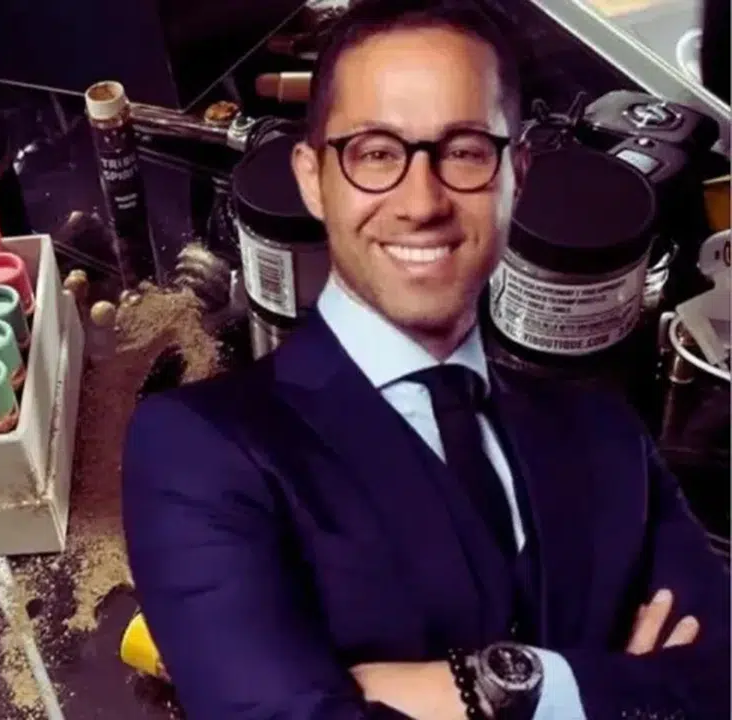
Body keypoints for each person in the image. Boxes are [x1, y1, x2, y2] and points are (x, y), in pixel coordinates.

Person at [120, 1, 731, 718]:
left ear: (517, 176)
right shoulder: (198, 446)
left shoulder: (606, 434)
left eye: (465, 151)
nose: (421, 202)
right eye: (376, 153)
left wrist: (510, 683)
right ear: (313, 178)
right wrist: (617, 687)